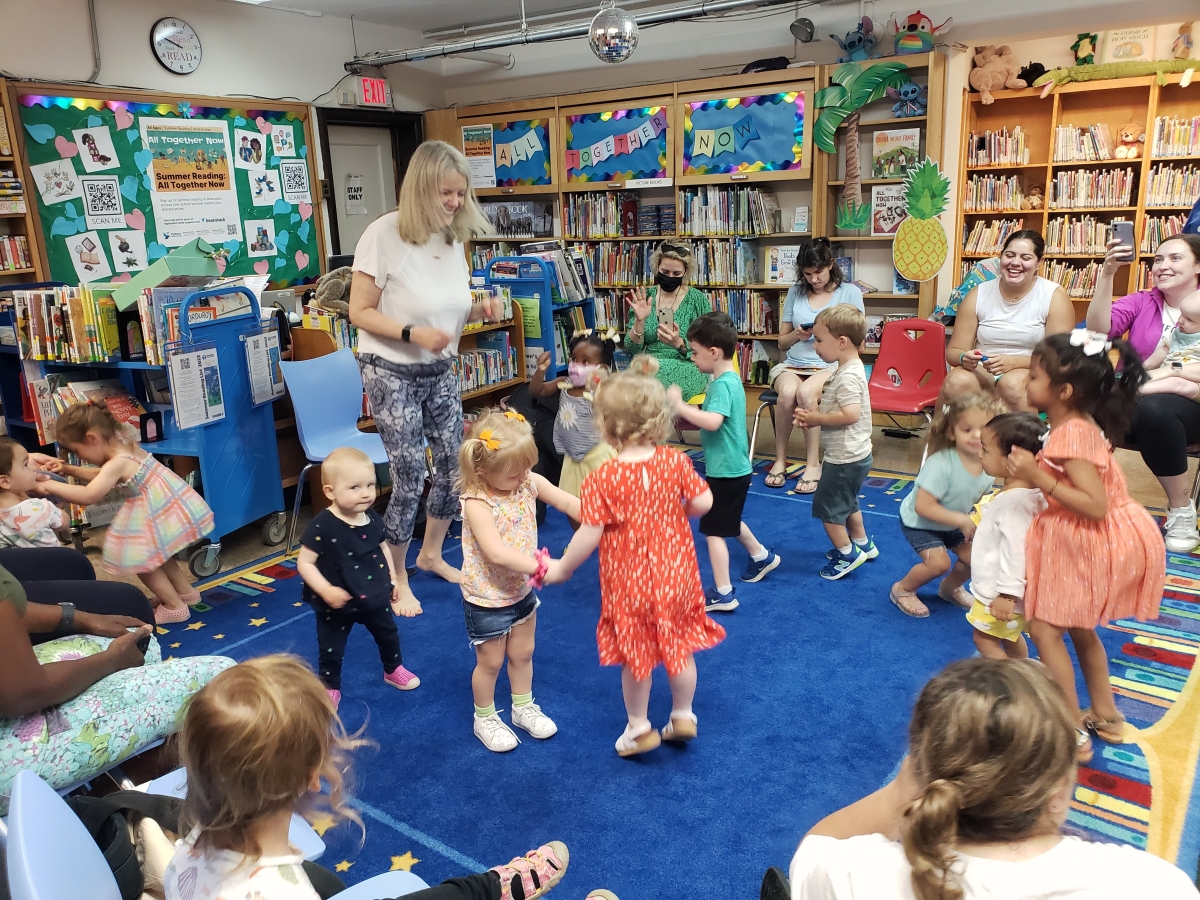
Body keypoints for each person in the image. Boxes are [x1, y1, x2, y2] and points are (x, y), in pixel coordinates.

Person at [164, 654, 584, 900]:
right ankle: (491, 888)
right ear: (313, 777)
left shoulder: (191, 844)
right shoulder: (286, 891)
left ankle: (491, 887)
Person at [789, 657, 1200, 900]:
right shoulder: (1153, 885)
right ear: (1057, 790)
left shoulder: (857, 876)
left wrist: (900, 790)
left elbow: (811, 853)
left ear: (924, 774)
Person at [348, 140, 504, 613]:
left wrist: (479, 309)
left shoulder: (451, 238)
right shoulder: (382, 234)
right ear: (420, 189)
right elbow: (359, 312)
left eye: (461, 194)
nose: (455, 203)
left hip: (438, 368)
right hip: (390, 369)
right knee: (411, 474)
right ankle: (396, 572)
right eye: (446, 194)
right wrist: (412, 333)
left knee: (458, 466)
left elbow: (445, 310)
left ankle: (431, 554)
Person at [546, 357, 725, 757]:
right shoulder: (675, 462)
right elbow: (704, 501)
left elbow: (588, 535)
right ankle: (682, 714)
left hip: (630, 583)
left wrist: (562, 567)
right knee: (678, 646)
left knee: (637, 655)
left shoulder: (602, 479)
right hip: (677, 576)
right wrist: (684, 513)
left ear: (607, 427)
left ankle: (639, 727)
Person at [1007, 331, 1165, 762]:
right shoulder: (1074, 425)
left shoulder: (1069, 435)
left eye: (1034, 376)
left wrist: (1038, 477)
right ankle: (1106, 713)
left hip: (1087, 539)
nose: (1025, 383)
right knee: (1079, 625)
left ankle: (1071, 726)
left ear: (1064, 391)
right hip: (1088, 538)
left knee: (1043, 630)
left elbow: (1094, 505)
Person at [0, 561, 232, 815]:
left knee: (139, 640)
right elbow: (22, 693)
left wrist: (80, 618)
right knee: (219, 679)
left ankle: (106, 781)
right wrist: (111, 661)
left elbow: (8, 607)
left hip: (17, 689)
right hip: (13, 729)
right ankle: (99, 810)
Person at [457, 410, 580, 753]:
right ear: (482, 470)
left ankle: (522, 706)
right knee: (491, 661)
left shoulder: (527, 483)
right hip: (487, 597)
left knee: (523, 653)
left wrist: (602, 518)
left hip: (521, 591)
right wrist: (542, 567)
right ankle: (485, 717)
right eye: (514, 473)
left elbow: (567, 501)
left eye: (528, 467)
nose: (525, 476)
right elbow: (496, 553)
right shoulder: (477, 503)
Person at [41, 401, 214, 624]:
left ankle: (174, 606)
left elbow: (89, 495)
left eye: (76, 450)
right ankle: (186, 593)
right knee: (158, 555)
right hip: (161, 506)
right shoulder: (125, 447)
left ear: (92, 438)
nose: (79, 456)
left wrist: (47, 486)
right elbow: (103, 475)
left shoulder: (118, 462)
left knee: (140, 561)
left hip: (149, 509)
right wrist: (68, 469)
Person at [1087, 234, 1200, 551]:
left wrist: (1171, 374)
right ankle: (1088, 496)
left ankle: (1180, 509)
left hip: (1187, 403)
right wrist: (1108, 273)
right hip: (1134, 402)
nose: (1163, 266)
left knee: (1155, 410)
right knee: (1090, 376)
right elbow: (1098, 331)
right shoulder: (1142, 301)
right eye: (1158, 260)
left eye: (1175, 258)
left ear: (1198, 266)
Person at [667, 312, 780, 612]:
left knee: (714, 530)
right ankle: (761, 556)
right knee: (728, 518)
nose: (692, 358)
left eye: (694, 352)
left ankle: (723, 593)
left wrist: (680, 406)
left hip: (727, 471)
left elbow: (713, 422)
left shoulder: (721, 386)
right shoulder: (727, 379)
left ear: (713, 352)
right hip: (733, 469)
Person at [295, 447, 419, 711]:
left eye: (370, 485)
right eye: (354, 487)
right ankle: (329, 686)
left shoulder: (371, 516)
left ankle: (393, 669)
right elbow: (304, 563)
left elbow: (382, 547)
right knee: (330, 648)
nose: (365, 493)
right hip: (336, 602)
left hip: (374, 592)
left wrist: (393, 579)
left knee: (388, 634)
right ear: (330, 492)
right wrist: (326, 590)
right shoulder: (322, 525)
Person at [765, 238, 865, 492]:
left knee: (806, 393)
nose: (814, 279)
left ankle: (812, 465)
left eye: (818, 272)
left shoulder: (849, 292)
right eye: (808, 274)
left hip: (830, 366)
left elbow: (858, 341)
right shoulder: (795, 291)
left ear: (831, 264)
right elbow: (782, 344)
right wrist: (797, 335)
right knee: (787, 393)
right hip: (794, 364)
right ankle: (779, 460)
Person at [891, 393, 1002, 618]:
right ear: (952, 433)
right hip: (920, 523)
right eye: (967, 429)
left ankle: (949, 588)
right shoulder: (941, 465)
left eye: (983, 428)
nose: (976, 435)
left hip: (952, 521)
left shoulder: (989, 464)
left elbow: (978, 496)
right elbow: (923, 507)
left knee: (979, 559)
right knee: (938, 564)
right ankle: (902, 589)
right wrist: (961, 519)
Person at [944, 230, 1075, 411]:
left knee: (1012, 385)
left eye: (1026, 257)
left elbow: (1060, 357)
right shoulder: (978, 294)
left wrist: (1013, 362)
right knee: (956, 381)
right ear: (1001, 257)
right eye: (1009, 255)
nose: (1015, 263)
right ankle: (954, 438)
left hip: (1032, 370)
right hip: (983, 370)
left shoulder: (1054, 296)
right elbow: (954, 351)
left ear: (1039, 262)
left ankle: (1027, 438)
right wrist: (963, 357)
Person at [792, 305, 877, 581]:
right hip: (854, 454)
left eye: (818, 340)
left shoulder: (850, 376)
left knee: (828, 508)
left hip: (846, 457)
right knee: (848, 501)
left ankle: (847, 553)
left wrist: (815, 418)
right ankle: (863, 543)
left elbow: (851, 415)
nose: (814, 346)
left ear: (841, 342)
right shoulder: (849, 368)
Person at [966, 412, 1047, 660]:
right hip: (1004, 590)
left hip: (1000, 591)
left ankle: (1011, 680)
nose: (980, 454)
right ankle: (1020, 668)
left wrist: (1007, 595)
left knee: (984, 640)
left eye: (987, 450)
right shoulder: (1025, 492)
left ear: (1014, 460)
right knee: (1009, 638)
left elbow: (1017, 551)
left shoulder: (1016, 503)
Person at [528, 331, 620, 509]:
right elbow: (537, 391)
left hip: (598, 456)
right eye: (574, 359)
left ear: (602, 368)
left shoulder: (601, 392)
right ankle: (581, 534)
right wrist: (540, 371)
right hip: (572, 457)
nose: (577, 365)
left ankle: (604, 535)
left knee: (602, 504)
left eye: (585, 362)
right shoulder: (565, 383)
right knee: (571, 504)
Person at [623, 241, 713, 401]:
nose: (670, 277)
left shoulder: (697, 300)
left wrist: (680, 344)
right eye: (665, 271)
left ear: (685, 271)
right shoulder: (645, 298)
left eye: (676, 274)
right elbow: (632, 349)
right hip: (648, 364)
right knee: (630, 385)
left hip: (688, 366)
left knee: (644, 391)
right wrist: (639, 321)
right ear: (657, 267)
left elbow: (709, 348)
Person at [0, 438, 65, 548]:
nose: (33, 467)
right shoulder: (41, 507)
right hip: (55, 563)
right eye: (25, 464)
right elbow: (64, 523)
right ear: (5, 481)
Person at [1141, 289, 1200, 398]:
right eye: (1181, 314)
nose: (1180, 320)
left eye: (1189, 319)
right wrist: (1141, 368)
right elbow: (1160, 354)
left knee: (1174, 382)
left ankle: (1134, 390)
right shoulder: (1179, 333)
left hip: (1192, 382)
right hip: (1166, 374)